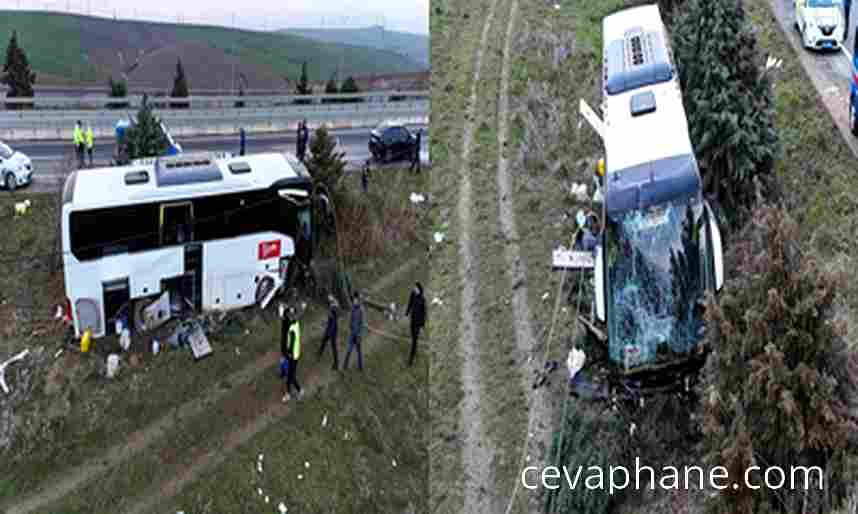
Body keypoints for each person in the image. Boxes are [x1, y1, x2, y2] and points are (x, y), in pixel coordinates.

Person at [284, 308, 304, 402]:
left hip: (293, 356)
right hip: (296, 354)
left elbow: (291, 343)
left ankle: (299, 390)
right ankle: (289, 393)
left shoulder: (292, 329)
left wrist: (289, 353)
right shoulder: (296, 325)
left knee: (291, 377)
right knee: (289, 376)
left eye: (290, 316)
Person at [405, 282, 426, 367]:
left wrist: (422, 325)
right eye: (414, 287)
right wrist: (407, 313)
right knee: (413, 336)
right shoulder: (412, 294)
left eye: (415, 288)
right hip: (412, 320)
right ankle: (415, 350)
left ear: (419, 289)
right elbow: (409, 303)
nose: (414, 289)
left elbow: (424, 313)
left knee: (414, 340)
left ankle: (411, 360)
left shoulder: (422, 300)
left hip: (418, 323)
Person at [343, 291, 364, 371]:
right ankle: (345, 365)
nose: (354, 301)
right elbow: (350, 320)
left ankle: (360, 367)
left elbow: (362, 323)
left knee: (359, 351)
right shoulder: (353, 308)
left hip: (357, 334)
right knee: (349, 349)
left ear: (358, 300)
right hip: (352, 334)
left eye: (356, 300)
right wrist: (350, 327)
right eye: (354, 300)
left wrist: (359, 334)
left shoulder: (361, 310)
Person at [318, 296, 339, 370]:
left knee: (333, 347)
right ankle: (320, 352)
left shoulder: (334, 309)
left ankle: (336, 364)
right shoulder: (332, 306)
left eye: (330, 301)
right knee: (324, 340)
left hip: (333, 330)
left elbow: (334, 322)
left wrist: (330, 331)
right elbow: (330, 319)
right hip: (329, 328)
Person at [279, 305, 292, 402]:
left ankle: (288, 393)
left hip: (287, 349)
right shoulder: (285, 321)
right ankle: (283, 372)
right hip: (284, 347)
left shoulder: (287, 322)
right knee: (282, 360)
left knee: (289, 373)